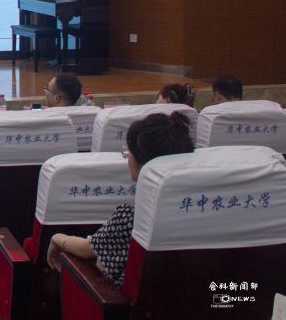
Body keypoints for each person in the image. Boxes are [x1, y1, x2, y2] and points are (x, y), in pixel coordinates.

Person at [46, 111, 194, 285]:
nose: (127, 157)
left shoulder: (133, 216)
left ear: (144, 163)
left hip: (118, 300)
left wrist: (57, 238)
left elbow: (86, 250)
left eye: (129, 152)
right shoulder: (194, 214)